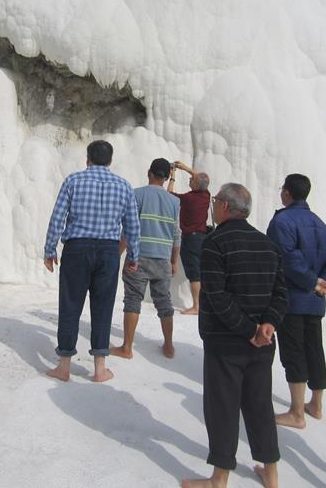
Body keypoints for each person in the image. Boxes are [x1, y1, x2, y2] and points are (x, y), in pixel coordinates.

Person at [182, 183, 288, 488]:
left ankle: (219, 478)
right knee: (259, 405)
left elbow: (215, 295)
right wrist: (268, 324)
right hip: (263, 343)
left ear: (225, 207)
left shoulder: (215, 242)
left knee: (222, 407)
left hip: (226, 342)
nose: (213, 205)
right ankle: (270, 472)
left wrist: (249, 330)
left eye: (215, 201)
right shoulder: (267, 243)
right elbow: (281, 292)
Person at [43, 140, 140, 383]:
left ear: (87, 158)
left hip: (76, 249)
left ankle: (64, 366)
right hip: (108, 251)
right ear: (110, 160)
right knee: (103, 306)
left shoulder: (73, 181)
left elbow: (58, 217)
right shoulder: (123, 186)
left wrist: (49, 249)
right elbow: (132, 227)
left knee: (70, 305)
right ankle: (99, 368)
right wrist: (133, 255)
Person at [266, 173, 326, 428]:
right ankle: (316, 404)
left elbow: (287, 259)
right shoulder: (320, 224)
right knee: (314, 348)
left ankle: (297, 412)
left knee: (294, 351)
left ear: (287, 193)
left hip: (292, 298)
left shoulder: (283, 221)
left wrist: (311, 281)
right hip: (316, 301)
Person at [110, 158, 180, 360]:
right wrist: (174, 261)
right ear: (167, 178)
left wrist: (117, 253)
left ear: (149, 173)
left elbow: (129, 229)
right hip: (163, 258)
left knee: (133, 300)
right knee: (164, 302)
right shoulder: (175, 201)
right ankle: (168, 346)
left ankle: (127, 348)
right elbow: (177, 234)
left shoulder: (137, 194)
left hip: (138, 257)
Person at [167, 161, 211, 314]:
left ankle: (196, 306)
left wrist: (173, 176)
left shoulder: (188, 198)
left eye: (191, 180)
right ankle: (202, 304)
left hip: (190, 239)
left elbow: (169, 195)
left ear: (195, 185)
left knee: (194, 273)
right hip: (202, 238)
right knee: (200, 271)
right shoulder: (206, 195)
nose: (189, 180)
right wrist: (184, 167)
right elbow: (201, 179)